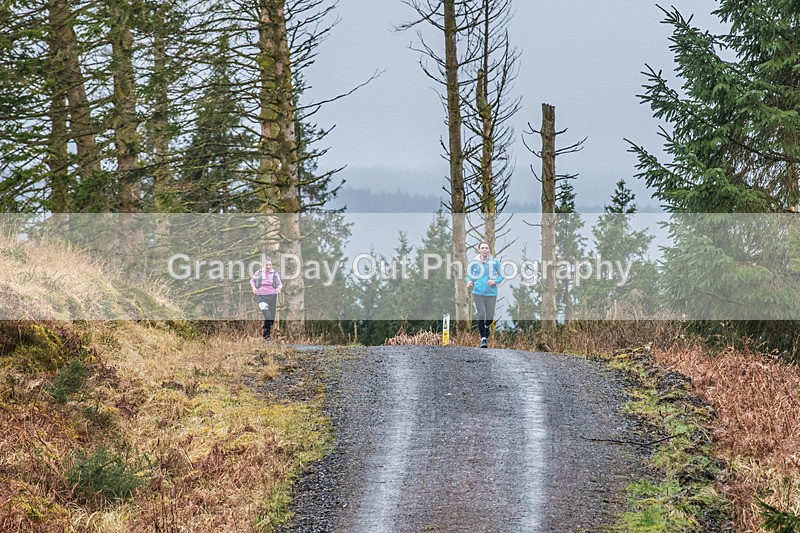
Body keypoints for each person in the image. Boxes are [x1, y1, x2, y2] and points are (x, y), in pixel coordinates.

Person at [466, 241, 504, 348]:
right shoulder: (474, 263)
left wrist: (495, 281)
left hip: (491, 293)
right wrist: (469, 282)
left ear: (489, 250)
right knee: (481, 314)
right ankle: (483, 339)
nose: (484, 250)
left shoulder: (495, 262)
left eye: (486, 248)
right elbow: (468, 276)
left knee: (489, 317)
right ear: (479, 250)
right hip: (478, 292)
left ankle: (487, 325)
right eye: (482, 248)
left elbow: (502, 275)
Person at [251, 257, 282, 342]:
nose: (268, 266)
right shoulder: (259, 272)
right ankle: (266, 337)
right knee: (267, 316)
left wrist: (278, 289)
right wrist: (254, 288)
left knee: (271, 318)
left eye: (270, 265)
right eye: (267, 265)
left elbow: (280, 284)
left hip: (272, 296)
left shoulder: (275, 273)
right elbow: (252, 281)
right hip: (262, 296)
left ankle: (266, 328)